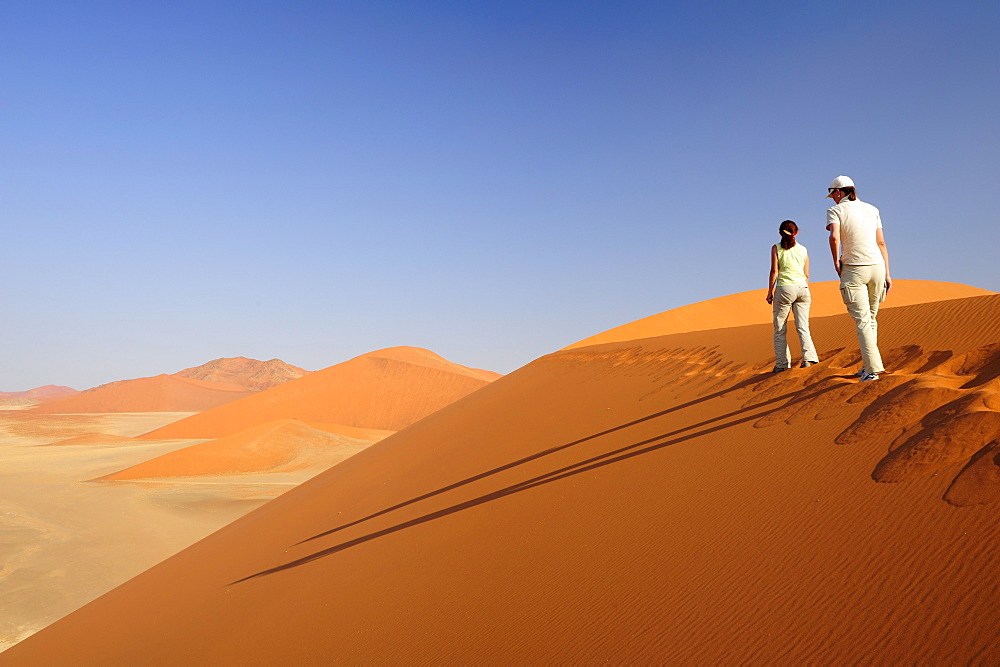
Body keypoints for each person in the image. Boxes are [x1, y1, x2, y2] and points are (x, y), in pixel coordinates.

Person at [825, 175, 891, 382]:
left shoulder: (835, 211)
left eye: (833, 195)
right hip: (878, 267)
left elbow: (834, 237)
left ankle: (873, 370)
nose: (833, 199)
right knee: (871, 319)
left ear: (839, 192)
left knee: (863, 321)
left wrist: (836, 261)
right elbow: (881, 242)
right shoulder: (873, 210)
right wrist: (888, 272)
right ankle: (867, 366)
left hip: (854, 268)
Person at [766, 220, 819, 373]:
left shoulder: (776, 248)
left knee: (780, 328)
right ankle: (809, 358)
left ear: (780, 233)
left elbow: (774, 271)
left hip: (784, 288)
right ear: (796, 233)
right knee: (803, 326)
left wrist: (770, 292)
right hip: (803, 288)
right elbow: (807, 274)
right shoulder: (803, 250)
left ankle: (782, 364)